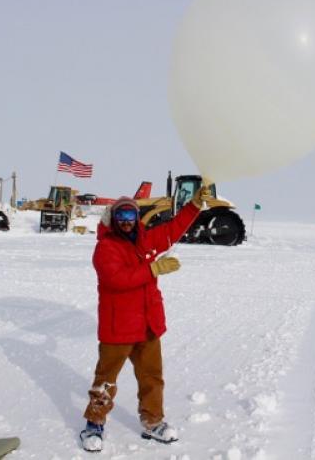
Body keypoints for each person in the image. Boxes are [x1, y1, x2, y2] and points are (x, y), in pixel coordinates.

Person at [80, 186, 210, 452]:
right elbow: (116, 280)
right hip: (118, 328)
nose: (126, 222)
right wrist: (153, 268)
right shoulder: (106, 248)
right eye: (121, 216)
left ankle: (152, 422)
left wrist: (194, 205)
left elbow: (174, 229)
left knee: (152, 377)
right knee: (106, 380)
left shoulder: (146, 240)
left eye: (130, 215)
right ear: (112, 219)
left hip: (148, 324)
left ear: (136, 218)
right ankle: (94, 424)